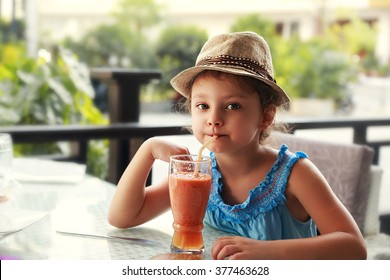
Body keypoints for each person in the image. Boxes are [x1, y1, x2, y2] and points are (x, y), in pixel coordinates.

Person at [108, 31, 367, 260]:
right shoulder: (199, 173)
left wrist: (268, 252)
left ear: (265, 116)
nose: (214, 119)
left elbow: (354, 247)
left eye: (233, 106)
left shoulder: (295, 174)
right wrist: (147, 151)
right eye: (203, 106)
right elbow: (123, 218)